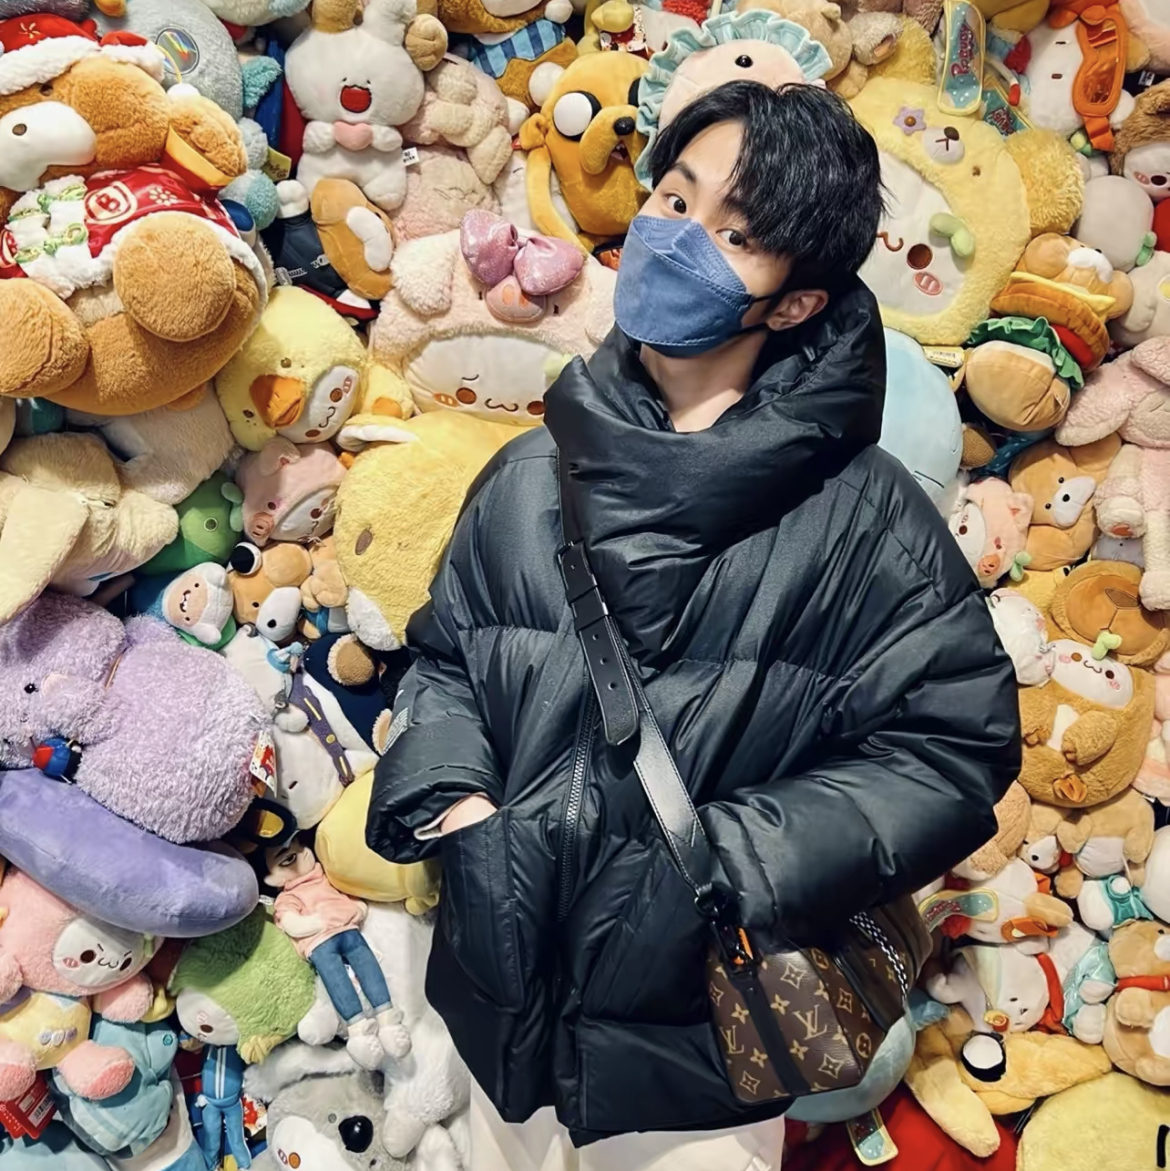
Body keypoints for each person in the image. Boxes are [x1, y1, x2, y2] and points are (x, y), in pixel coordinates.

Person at [368, 80, 1020, 1171]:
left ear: (797, 303)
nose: (678, 239)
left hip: (701, 1040)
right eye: (675, 199)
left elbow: (953, 747)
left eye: (736, 233)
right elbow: (449, 656)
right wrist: (459, 812)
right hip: (501, 996)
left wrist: (724, 861)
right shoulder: (532, 470)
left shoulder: (869, 520)